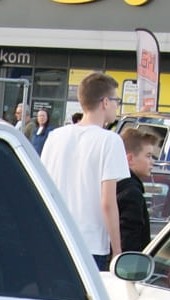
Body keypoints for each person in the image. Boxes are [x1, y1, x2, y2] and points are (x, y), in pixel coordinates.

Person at [41, 72, 126, 271]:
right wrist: (118, 251)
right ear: (105, 102)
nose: (117, 106)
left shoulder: (55, 136)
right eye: (116, 100)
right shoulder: (110, 141)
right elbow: (107, 202)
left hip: (55, 238)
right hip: (91, 243)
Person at [117, 127, 159, 253]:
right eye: (148, 156)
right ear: (130, 159)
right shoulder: (131, 193)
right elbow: (130, 241)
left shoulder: (115, 184)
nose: (152, 162)